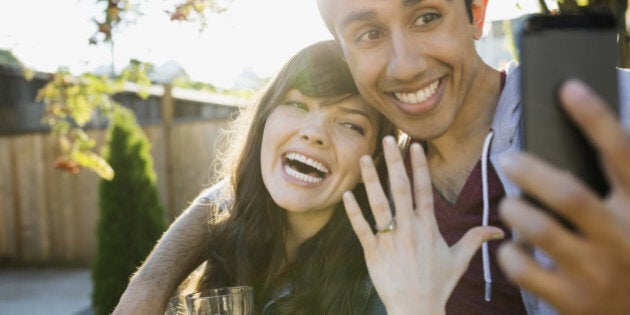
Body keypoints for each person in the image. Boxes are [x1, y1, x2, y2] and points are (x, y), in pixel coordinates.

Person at [114, 40, 503, 314]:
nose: (314, 132)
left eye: (350, 125)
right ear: (264, 121)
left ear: (374, 159)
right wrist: (148, 285)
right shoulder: (229, 240)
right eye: (297, 104)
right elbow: (228, 192)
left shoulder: (379, 283)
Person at [315, 0, 630, 314]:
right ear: (344, 55)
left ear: (475, 14)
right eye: (369, 35)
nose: (406, 66)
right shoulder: (369, 192)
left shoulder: (610, 117)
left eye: (427, 18)